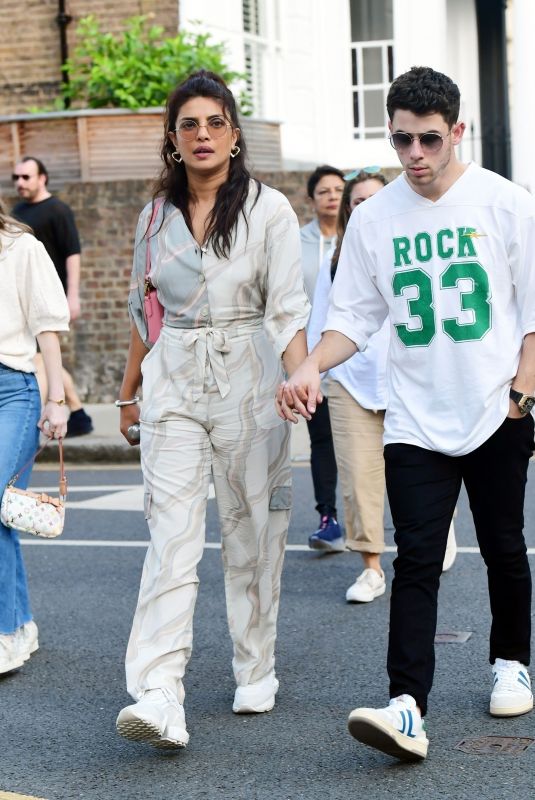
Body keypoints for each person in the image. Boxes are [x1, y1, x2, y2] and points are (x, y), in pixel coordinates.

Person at [278, 65, 535, 761]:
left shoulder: (506, 204)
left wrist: (522, 395)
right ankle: (405, 705)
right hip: (415, 416)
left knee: (503, 546)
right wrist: (308, 364)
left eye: (427, 139)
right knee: (415, 557)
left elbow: (532, 313)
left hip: (492, 409)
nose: (414, 155)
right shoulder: (375, 217)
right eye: (400, 141)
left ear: (456, 132)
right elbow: (354, 318)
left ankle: (510, 659)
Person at [115, 70, 309, 750]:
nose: (202, 134)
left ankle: (254, 665)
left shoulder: (269, 210)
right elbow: (146, 308)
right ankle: (160, 689)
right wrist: (129, 388)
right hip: (173, 378)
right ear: (172, 139)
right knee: (169, 536)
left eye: (214, 122)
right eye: (188, 124)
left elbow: (286, 311)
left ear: (233, 135)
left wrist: (299, 378)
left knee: (252, 530)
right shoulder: (152, 216)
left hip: (248, 372)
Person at [308, 170, 457, 604]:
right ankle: (371, 569)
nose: (365, 207)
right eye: (357, 202)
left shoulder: (411, 251)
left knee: (423, 477)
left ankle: (440, 528)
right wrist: (314, 375)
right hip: (352, 385)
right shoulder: (334, 264)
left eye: (375, 198)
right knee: (359, 482)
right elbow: (321, 325)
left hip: (409, 384)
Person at [0, 201, 69, 675]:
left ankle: (5, 633)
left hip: (14, 391)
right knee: (1, 513)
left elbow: (47, 328)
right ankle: (20, 624)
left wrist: (58, 399)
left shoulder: (22, 248)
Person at [12, 157, 93, 438]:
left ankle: (46, 418)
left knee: (40, 359)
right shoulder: (17, 211)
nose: (20, 182)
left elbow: (72, 253)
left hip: (49, 300)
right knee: (43, 359)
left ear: (42, 178)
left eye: (26, 177)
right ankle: (79, 413)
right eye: (16, 178)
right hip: (24, 302)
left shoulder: (58, 210)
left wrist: (73, 296)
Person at [300, 165, 345, 551]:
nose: (332, 196)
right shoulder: (297, 244)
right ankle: (328, 517)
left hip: (357, 353)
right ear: (311, 199)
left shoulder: (359, 236)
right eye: (324, 191)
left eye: (338, 190)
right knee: (323, 441)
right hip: (314, 355)